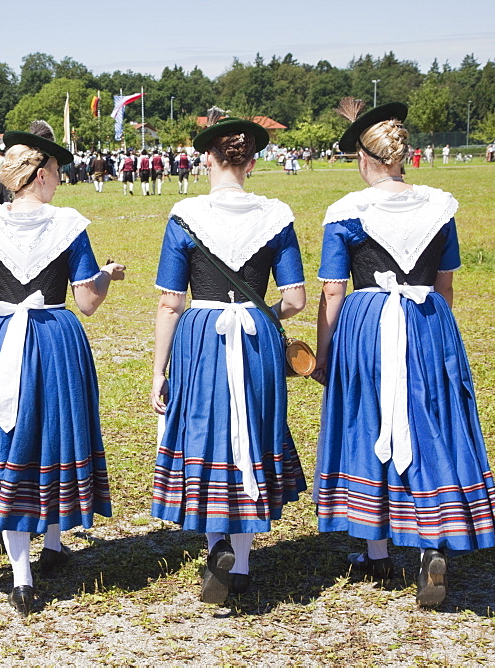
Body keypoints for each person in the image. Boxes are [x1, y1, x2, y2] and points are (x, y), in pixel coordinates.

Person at [312, 99, 495, 608]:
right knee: (430, 425)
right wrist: (437, 337)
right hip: (425, 322)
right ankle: (432, 544)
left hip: (366, 325)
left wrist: (326, 352)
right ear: (401, 155)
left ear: (363, 157)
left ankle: (375, 549)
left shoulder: (347, 212)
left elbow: (333, 291)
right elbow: (444, 287)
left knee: (367, 421)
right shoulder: (439, 207)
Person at [0, 121, 125, 617]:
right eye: (57, 169)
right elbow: (86, 301)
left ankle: (24, 573)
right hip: (56, 336)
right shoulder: (68, 225)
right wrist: (105, 275)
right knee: (53, 433)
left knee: (10, 437)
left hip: (1, 337)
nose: (60, 178)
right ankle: (54, 542)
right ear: (39, 173)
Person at [150, 118, 307, 603]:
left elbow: (170, 302)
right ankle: (239, 563)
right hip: (256, 335)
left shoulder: (184, 217)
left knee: (207, 432)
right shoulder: (276, 216)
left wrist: (158, 370)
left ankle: (215, 541)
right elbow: (296, 299)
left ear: (207, 160)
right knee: (252, 434)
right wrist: (261, 317)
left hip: (201, 335)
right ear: (252, 163)